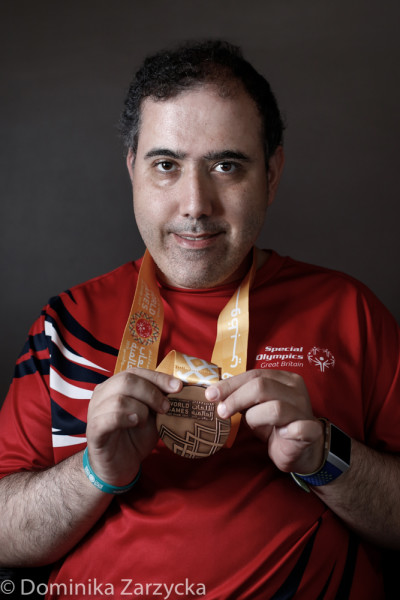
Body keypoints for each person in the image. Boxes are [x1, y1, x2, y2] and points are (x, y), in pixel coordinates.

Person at [0, 39, 399, 600]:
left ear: (273, 172)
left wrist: (326, 458)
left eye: (226, 165)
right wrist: (95, 473)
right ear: (132, 168)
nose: (196, 203)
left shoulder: (348, 311)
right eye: (167, 165)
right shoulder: (66, 322)